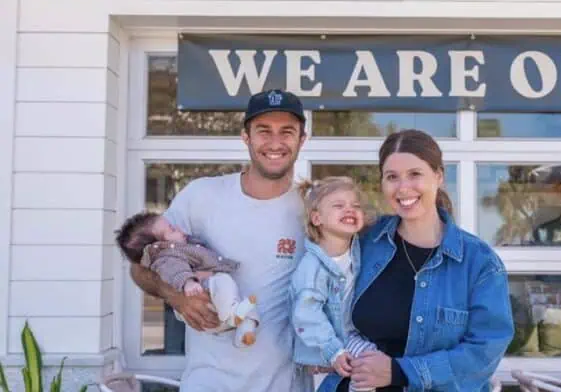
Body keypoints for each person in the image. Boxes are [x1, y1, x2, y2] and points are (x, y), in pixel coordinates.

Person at [128, 89, 313, 392]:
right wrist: (177, 297)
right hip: (210, 382)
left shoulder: (310, 209)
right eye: (263, 131)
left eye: (287, 132)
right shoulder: (202, 196)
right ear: (246, 137)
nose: (275, 143)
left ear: (301, 140)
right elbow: (140, 267)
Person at [319, 129, 515, 392]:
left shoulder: (479, 263)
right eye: (392, 177)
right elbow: (320, 292)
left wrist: (400, 372)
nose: (403, 188)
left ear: (439, 176)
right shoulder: (363, 241)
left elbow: (484, 353)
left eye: (415, 174)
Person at [115, 211, 261, 348]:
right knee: (222, 281)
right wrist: (187, 284)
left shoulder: (180, 246)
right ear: (158, 246)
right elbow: (175, 271)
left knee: (248, 310)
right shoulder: (167, 257)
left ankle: (243, 334)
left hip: (215, 313)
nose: (179, 228)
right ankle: (232, 314)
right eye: (172, 229)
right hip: (208, 304)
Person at [291, 176, 378, 392]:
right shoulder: (312, 267)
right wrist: (334, 351)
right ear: (317, 218)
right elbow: (306, 315)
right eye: (339, 206)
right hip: (325, 353)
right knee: (370, 365)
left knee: (376, 364)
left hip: (350, 339)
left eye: (355, 206)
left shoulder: (357, 252)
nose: (349, 210)